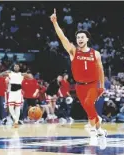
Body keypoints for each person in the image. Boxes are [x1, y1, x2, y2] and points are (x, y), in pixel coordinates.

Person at [50, 8, 107, 144]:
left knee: (88, 104)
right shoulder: (73, 51)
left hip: (93, 84)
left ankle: (93, 131)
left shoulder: (96, 53)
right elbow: (62, 37)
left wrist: (102, 86)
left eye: (82, 37)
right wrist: (55, 23)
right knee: (88, 108)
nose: (80, 39)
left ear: (87, 39)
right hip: (79, 86)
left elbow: (101, 70)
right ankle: (100, 128)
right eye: (78, 37)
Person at [0, 64, 29, 128]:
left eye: (17, 66)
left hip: (18, 92)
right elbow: (1, 75)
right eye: (15, 66)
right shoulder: (10, 73)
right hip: (11, 92)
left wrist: (26, 74)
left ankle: (16, 122)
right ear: (13, 67)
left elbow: (29, 76)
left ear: (19, 68)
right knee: (10, 108)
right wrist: (6, 72)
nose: (16, 67)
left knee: (18, 108)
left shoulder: (21, 74)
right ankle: (15, 118)